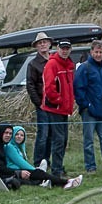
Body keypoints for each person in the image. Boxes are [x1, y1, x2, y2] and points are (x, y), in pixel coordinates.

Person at [73, 40, 102, 174]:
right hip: (89, 111)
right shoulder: (84, 68)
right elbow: (78, 89)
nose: (98, 54)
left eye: (100, 52)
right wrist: (86, 105)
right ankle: (90, 166)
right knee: (89, 141)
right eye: (96, 52)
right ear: (91, 52)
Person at [5, 125, 82, 189]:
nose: (19, 137)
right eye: (17, 134)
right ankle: (66, 182)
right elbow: (20, 162)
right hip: (15, 171)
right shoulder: (10, 147)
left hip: (20, 170)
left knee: (39, 177)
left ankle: (45, 183)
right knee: (40, 174)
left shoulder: (20, 147)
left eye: (22, 135)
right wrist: (34, 170)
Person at [42, 38, 76, 179]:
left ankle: (58, 166)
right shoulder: (52, 64)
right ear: (57, 48)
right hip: (54, 108)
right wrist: (59, 100)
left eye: (67, 48)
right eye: (62, 48)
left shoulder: (69, 65)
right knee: (59, 140)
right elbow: (49, 88)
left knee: (63, 140)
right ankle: (56, 170)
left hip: (64, 109)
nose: (64, 51)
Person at [25, 31, 53, 167]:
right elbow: (30, 85)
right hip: (42, 104)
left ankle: (47, 161)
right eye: (40, 43)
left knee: (52, 135)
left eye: (44, 42)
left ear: (49, 44)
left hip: (55, 104)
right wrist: (38, 103)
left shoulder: (54, 60)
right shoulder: (33, 64)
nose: (43, 45)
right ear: (36, 46)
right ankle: (37, 163)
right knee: (43, 134)